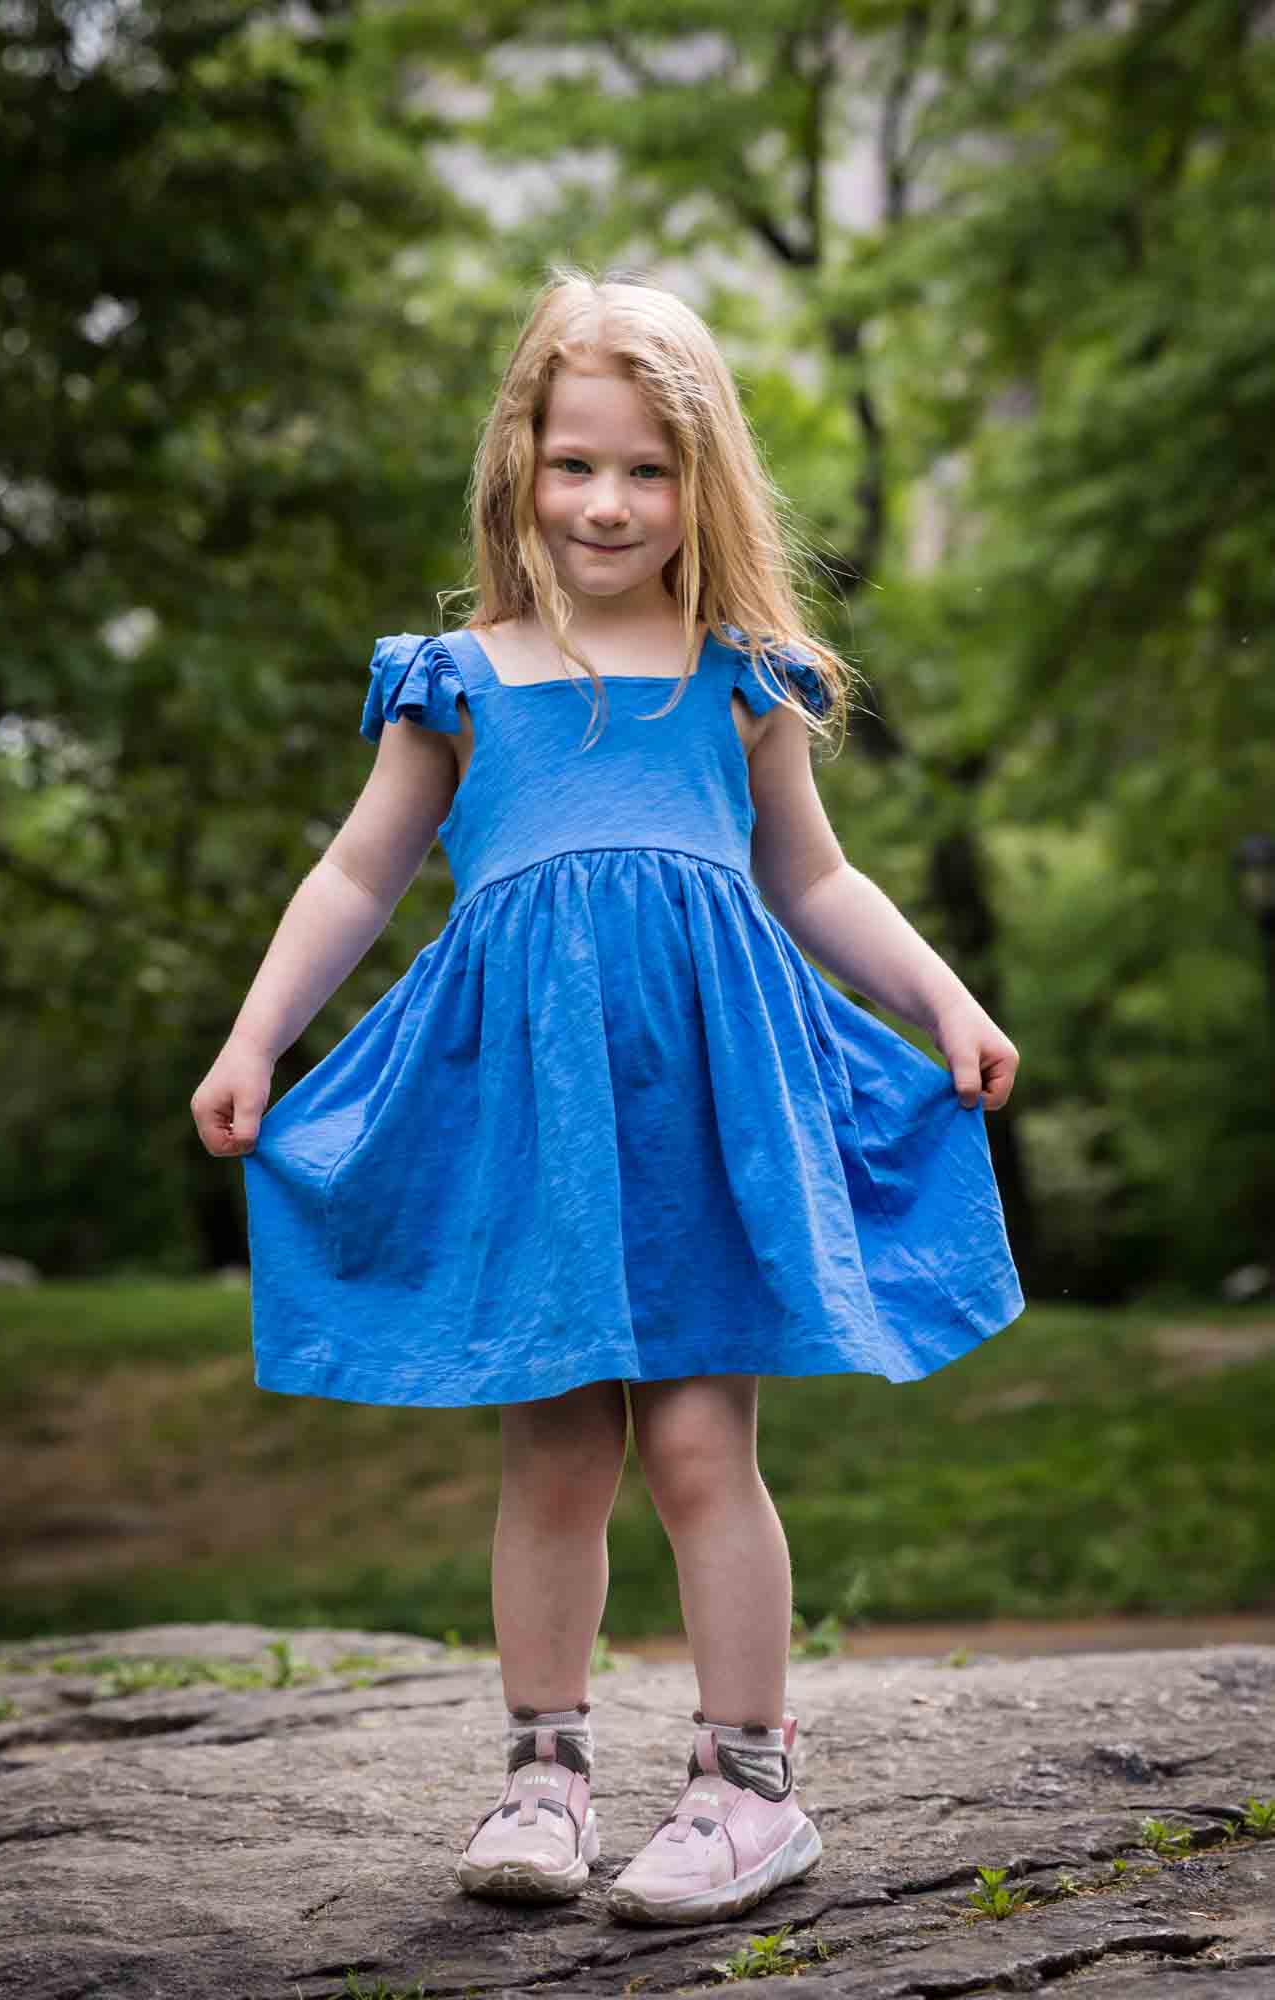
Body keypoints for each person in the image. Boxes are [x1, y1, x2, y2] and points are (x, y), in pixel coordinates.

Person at [191, 266, 1024, 1928]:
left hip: (701, 1110)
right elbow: (357, 876)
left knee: (705, 1444)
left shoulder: (742, 676)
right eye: (576, 462)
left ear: (698, 477)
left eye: (646, 468)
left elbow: (814, 877)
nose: (607, 500)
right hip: (534, 1121)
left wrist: (939, 992)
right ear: (519, 462)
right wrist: (254, 1036)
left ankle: (746, 1787)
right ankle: (544, 1774)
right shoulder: (453, 677)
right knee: (555, 1446)